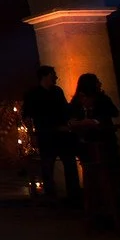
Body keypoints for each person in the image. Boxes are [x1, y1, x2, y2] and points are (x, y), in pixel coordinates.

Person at [23, 66, 79, 202]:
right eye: (53, 74)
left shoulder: (57, 91)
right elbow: (27, 116)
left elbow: (65, 110)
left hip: (62, 134)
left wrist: (70, 122)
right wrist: (32, 134)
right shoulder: (33, 94)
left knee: (69, 164)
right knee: (48, 166)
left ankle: (74, 195)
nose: (56, 77)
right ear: (45, 76)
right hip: (46, 134)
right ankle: (51, 196)